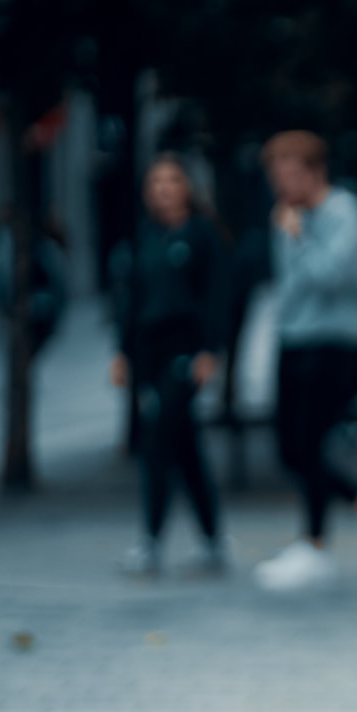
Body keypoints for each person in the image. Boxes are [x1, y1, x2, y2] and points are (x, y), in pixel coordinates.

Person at [254, 130, 357, 592]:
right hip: (294, 338)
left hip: (335, 343)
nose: (282, 186)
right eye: (275, 177)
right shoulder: (287, 215)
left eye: (290, 174)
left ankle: (316, 542)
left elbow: (332, 277)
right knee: (289, 447)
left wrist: (298, 237)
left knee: (314, 443)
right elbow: (289, 285)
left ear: (315, 172)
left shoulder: (344, 212)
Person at [111, 155, 229, 575]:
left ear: (186, 187)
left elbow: (216, 294)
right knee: (185, 448)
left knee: (158, 440)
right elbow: (130, 300)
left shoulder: (201, 235)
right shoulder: (145, 238)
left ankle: (151, 540)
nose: (163, 189)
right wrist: (122, 352)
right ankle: (213, 538)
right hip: (149, 351)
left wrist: (210, 349)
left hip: (185, 350)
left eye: (172, 180)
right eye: (155, 181)